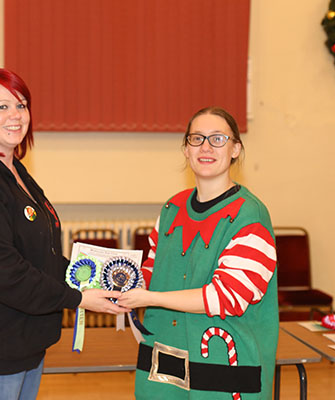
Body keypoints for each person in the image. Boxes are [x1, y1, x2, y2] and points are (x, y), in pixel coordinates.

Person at [0, 68, 128, 400]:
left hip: (24, 344)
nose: (16, 115)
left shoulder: (15, 172)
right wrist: (77, 298)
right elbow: (0, 270)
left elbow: (41, 257)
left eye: (21, 105)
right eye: (2, 107)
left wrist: (94, 278)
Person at [119, 107, 279, 400]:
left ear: (235, 149)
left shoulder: (250, 215)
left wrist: (149, 298)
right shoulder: (171, 208)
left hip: (224, 365)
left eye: (217, 138)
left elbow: (226, 297)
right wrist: (121, 283)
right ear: (186, 149)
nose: (206, 147)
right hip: (164, 359)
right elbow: (153, 270)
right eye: (197, 138)